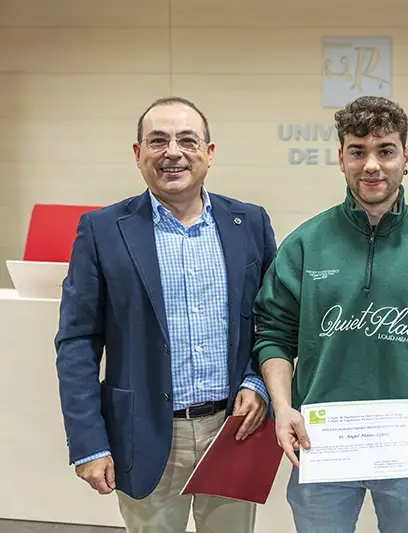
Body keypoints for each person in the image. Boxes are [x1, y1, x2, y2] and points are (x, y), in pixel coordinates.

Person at [252, 95, 408, 533]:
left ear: (407, 157)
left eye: (385, 150)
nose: (372, 165)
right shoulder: (304, 245)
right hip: (320, 445)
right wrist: (283, 407)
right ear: (340, 158)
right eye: (358, 152)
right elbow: (273, 334)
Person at [55, 96, 276, 533]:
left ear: (209, 154)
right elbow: (76, 341)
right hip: (144, 433)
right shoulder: (101, 230)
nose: (172, 152)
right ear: (138, 155)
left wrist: (257, 381)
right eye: (158, 141)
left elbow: (273, 319)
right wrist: (88, 443)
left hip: (233, 428)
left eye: (187, 140)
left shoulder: (249, 222)